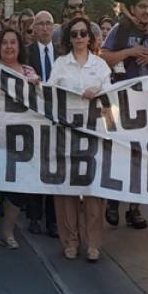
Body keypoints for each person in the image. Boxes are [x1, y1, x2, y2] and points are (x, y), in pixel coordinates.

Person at [99, 0, 148, 230]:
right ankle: (114, 204)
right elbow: (103, 56)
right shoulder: (121, 29)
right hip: (122, 101)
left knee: (143, 156)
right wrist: (130, 52)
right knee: (121, 153)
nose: (147, 10)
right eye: (142, 6)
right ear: (133, 8)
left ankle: (135, 208)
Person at [48, 16, 112, 262]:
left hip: (94, 134)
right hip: (66, 134)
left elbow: (112, 93)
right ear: (68, 39)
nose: (78, 38)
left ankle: (93, 243)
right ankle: (70, 241)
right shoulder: (61, 64)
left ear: (90, 37)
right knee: (66, 190)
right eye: (73, 34)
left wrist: (98, 91)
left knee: (94, 189)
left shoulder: (101, 65)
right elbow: (50, 92)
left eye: (83, 33)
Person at [0, 27, 40, 251]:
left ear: (19, 47)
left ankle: (7, 231)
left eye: (13, 42)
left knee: (17, 190)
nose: (9, 46)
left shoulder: (28, 72)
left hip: (20, 140)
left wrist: (37, 84)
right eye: (5, 42)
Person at [26, 10, 58, 237]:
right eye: (41, 24)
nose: (45, 28)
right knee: (36, 167)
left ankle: (53, 220)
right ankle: (34, 217)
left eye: (49, 24)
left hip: (57, 118)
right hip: (34, 118)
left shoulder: (64, 54)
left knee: (55, 169)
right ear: (34, 28)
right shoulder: (26, 54)